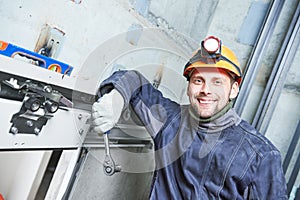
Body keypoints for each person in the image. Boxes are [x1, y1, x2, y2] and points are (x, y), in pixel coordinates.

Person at [91, 36, 288, 199]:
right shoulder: (169, 120)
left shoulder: (261, 156)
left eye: (217, 82)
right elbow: (132, 79)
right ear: (188, 87)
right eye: (198, 80)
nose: (206, 90)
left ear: (234, 89)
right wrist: (116, 98)